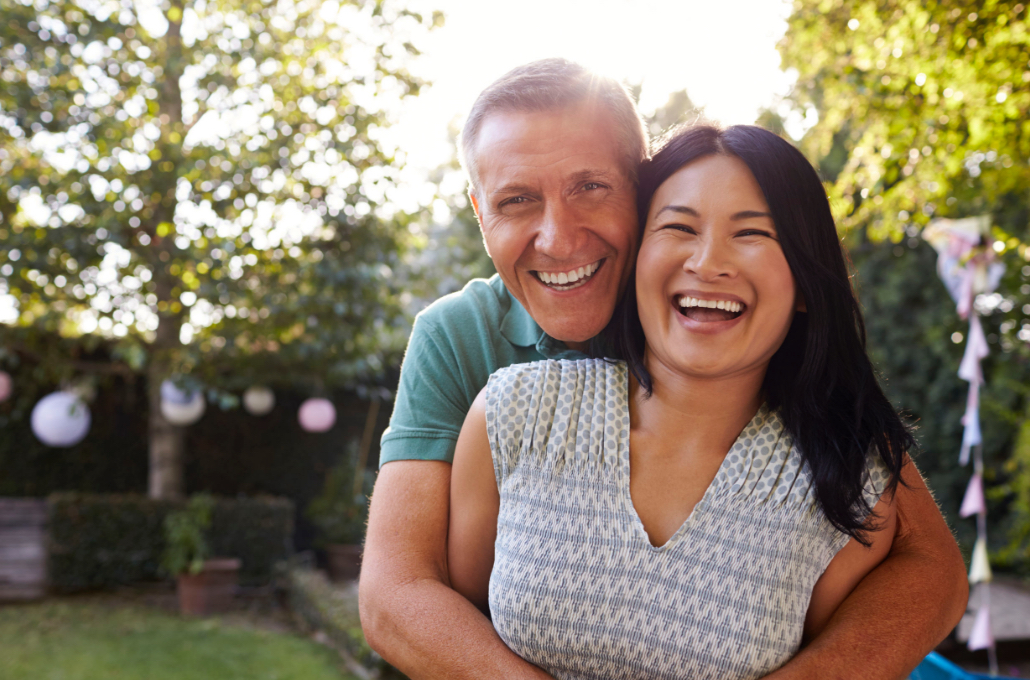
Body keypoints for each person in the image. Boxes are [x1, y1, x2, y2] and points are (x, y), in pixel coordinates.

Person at [359, 59, 968, 679]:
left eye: (590, 187)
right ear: (479, 211)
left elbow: (930, 567)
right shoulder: (468, 347)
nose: (559, 238)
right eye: (516, 200)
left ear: (642, 188)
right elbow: (396, 594)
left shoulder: (718, 313)